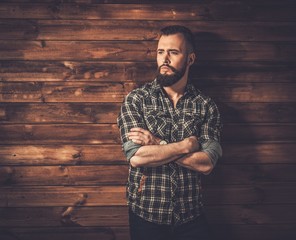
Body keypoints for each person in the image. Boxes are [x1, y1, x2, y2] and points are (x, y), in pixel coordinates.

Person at [117, 25, 222, 240]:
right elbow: (137, 157)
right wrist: (187, 145)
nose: (164, 59)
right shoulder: (137, 99)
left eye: (173, 52)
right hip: (146, 216)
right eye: (160, 52)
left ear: (190, 59)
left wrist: (156, 143)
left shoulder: (205, 106)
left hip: (191, 216)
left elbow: (207, 163)